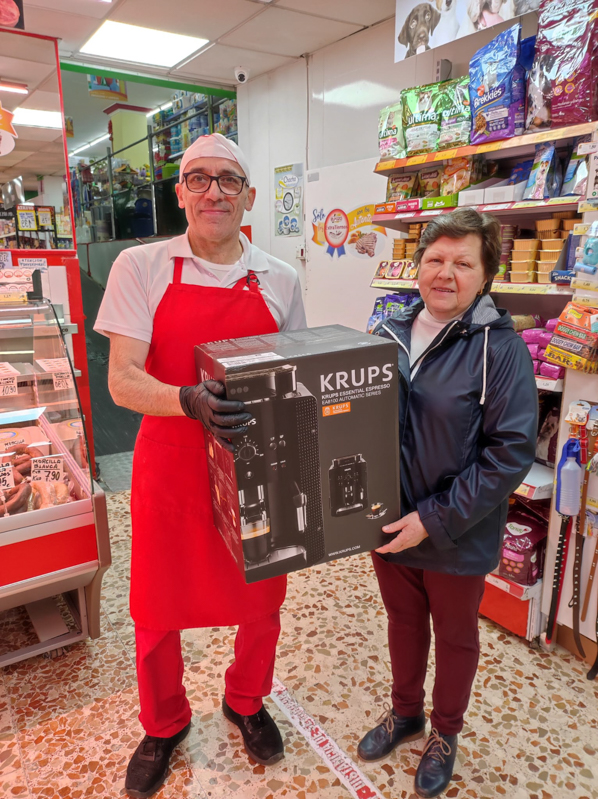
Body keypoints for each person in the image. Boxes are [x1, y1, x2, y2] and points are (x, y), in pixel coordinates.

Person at [94, 133, 306, 799]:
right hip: (170, 461)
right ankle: (163, 723)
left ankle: (246, 699)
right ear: (180, 192)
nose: (213, 189)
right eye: (198, 178)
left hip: (254, 464)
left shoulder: (282, 277)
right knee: (157, 603)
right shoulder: (142, 266)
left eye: (227, 179)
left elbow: (293, 376)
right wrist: (188, 399)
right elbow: (123, 382)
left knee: (263, 597)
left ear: (248, 195)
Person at [357, 208, 537, 798]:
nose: (445, 273)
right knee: (403, 624)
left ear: (485, 275)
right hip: (390, 523)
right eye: (434, 259)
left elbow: (509, 453)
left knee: (456, 637)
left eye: (463, 263)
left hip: (457, 531)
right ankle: (405, 713)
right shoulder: (388, 332)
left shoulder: (499, 349)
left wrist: (431, 519)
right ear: (417, 267)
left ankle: (444, 733)